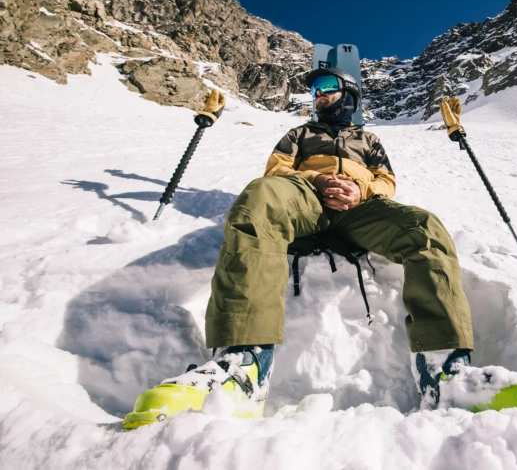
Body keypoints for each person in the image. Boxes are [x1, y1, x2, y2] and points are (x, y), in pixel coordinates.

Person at [123, 68, 474, 428]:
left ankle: (446, 372)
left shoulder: (368, 140)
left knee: (424, 228)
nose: (318, 94)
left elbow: (386, 181)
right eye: (315, 90)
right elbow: (276, 172)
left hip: (360, 208)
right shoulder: (300, 134)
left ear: (349, 94)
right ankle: (243, 367)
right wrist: (318, 179)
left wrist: (359, 190)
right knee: (259, 198)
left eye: (326, 87)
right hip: (306, 198)